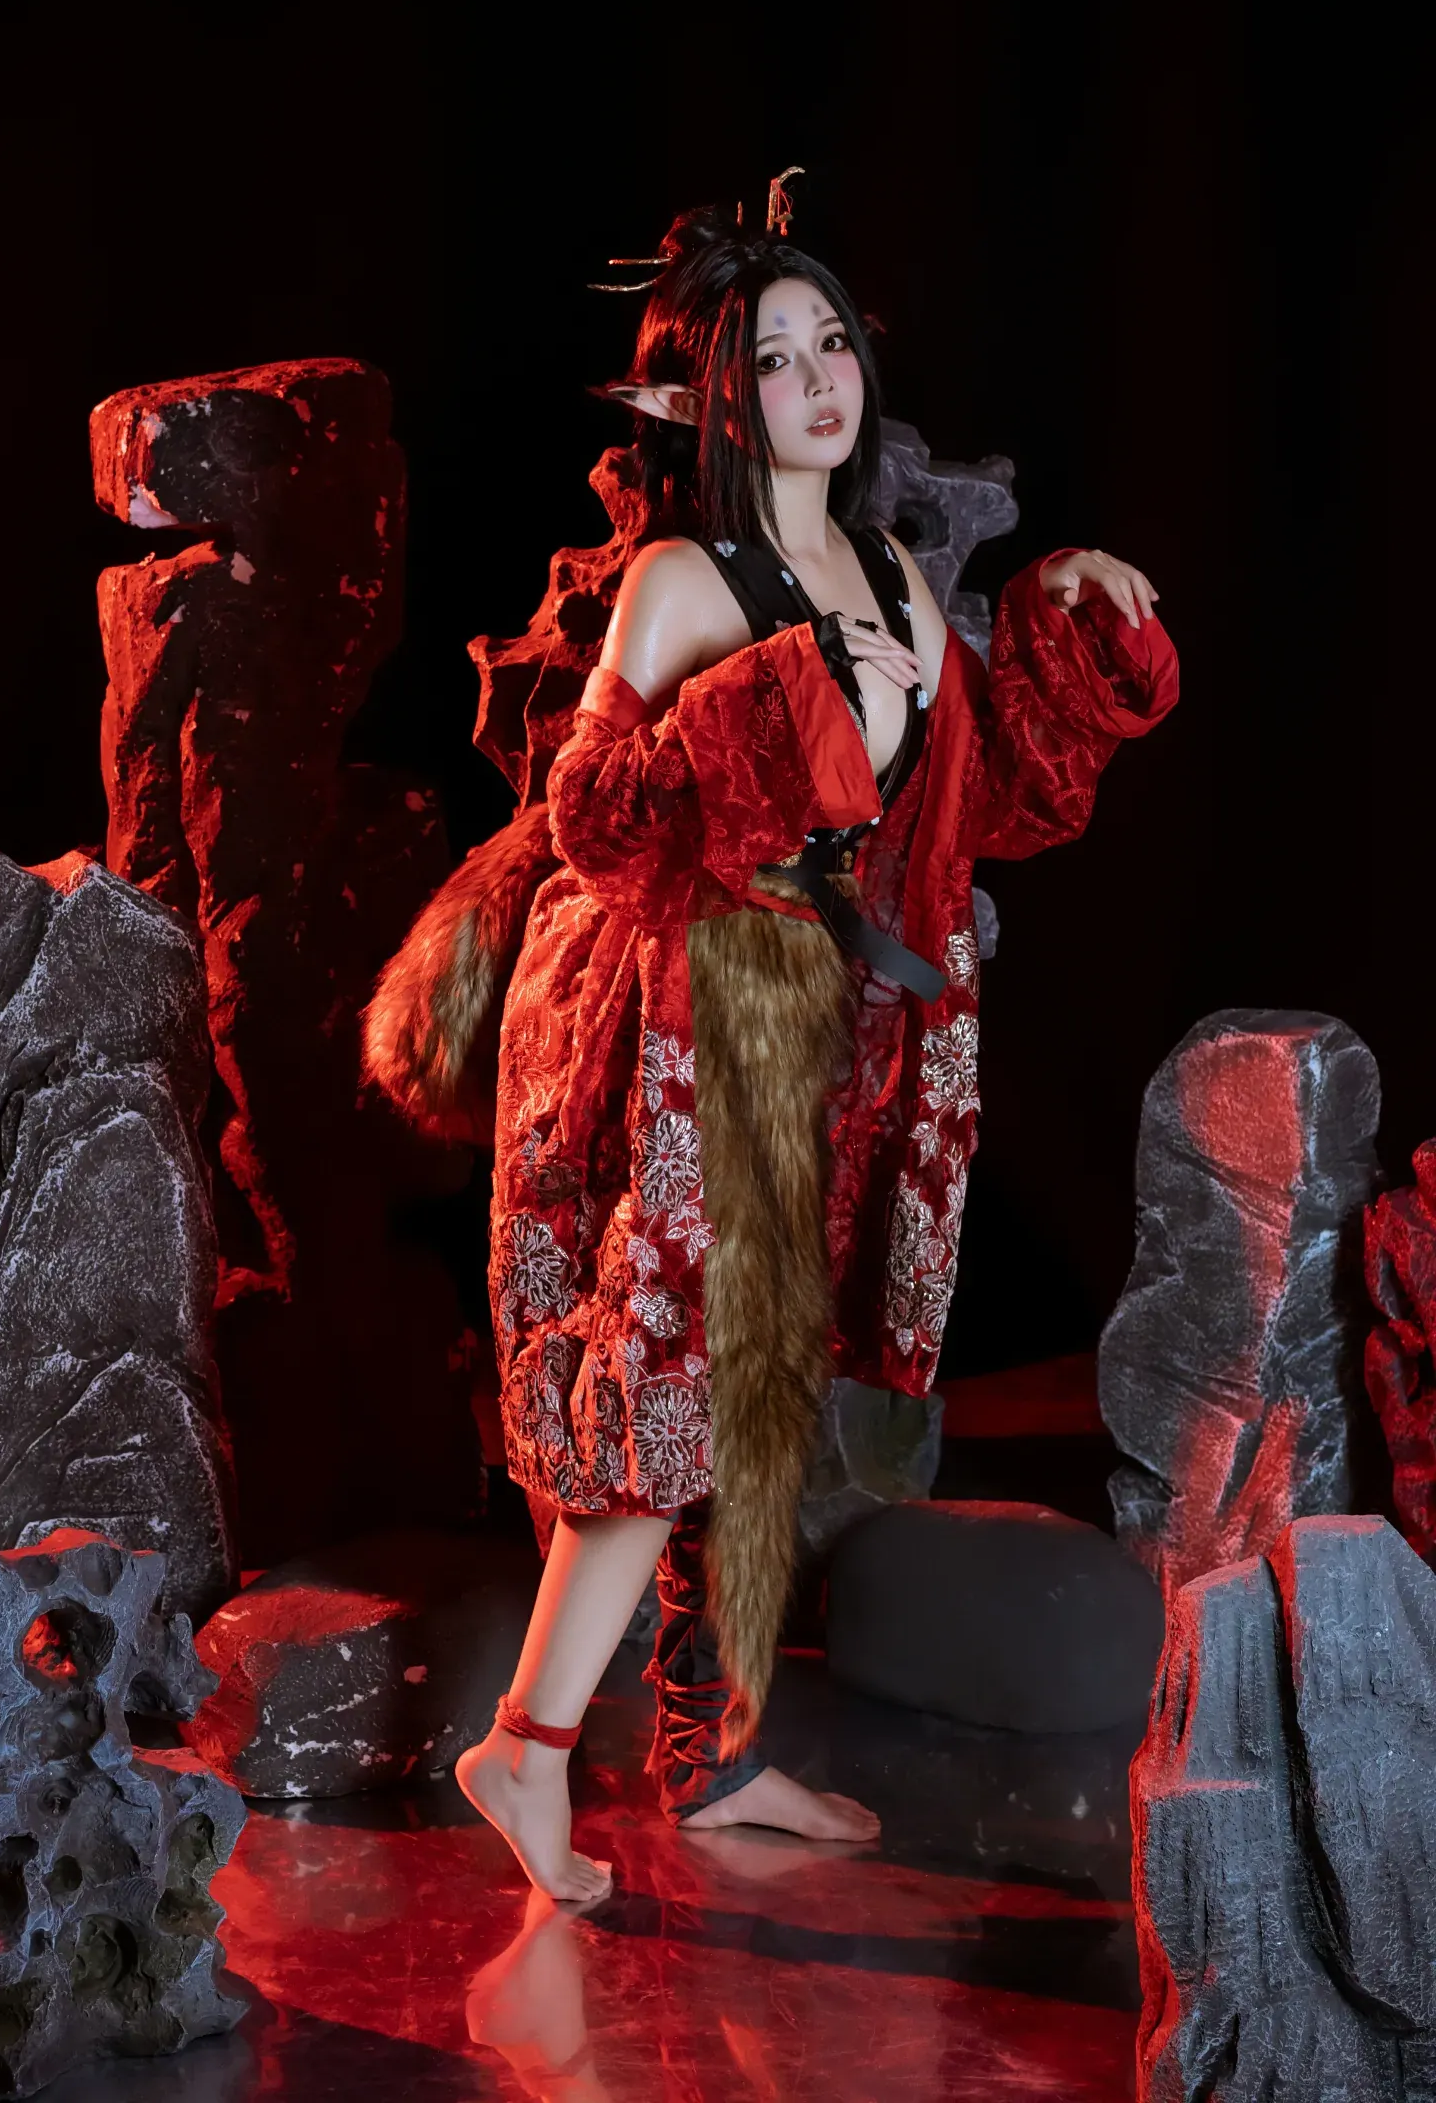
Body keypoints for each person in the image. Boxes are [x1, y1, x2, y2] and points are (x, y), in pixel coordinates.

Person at [367, 190, 1178, 1903]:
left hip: (822, 1034)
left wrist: (1058, 622)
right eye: (774, 360)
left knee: (759, 1406)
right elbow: (594, 814)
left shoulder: (888, 568)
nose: (817, 381)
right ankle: (526, 1747)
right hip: (675, 1024)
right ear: (705, 406)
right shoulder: (681, 581)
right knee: (665, 1400)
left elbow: (974, 802)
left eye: (831, 346)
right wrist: (777, 704)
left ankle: (713, 1753)